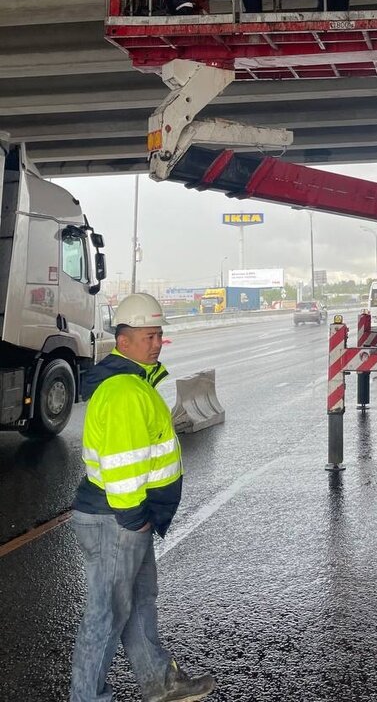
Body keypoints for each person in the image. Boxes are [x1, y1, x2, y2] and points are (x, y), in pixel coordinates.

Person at [70, 292, 215, 702]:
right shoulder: (125, 393)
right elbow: (122, 464)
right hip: (116, 520)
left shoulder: (136, 383)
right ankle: (86, 697)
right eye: (148, 336)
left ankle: (158, 681)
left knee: (138, 602)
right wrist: (134, 517)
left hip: (125, 518)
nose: (156, 344)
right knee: (106, 615)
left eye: (159, 336)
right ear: (124, 340)